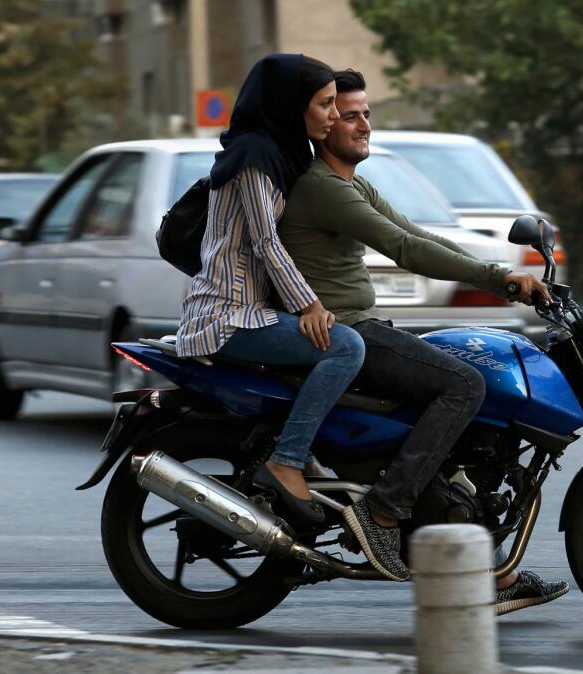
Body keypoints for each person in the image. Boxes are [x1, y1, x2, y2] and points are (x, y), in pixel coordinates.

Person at [277, 68, 569, 612]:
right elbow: (404, 250)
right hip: (343, 332)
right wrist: (499, 279)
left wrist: (500, 272)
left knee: (471, 392)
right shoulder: (321, 188)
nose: (364, 125)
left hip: (364, 324)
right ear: (321, 126)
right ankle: (383, 512)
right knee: (463, 385)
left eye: (367, 114)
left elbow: (416, 232)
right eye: (349, 115)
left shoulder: (351, 183)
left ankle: (487, 570)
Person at [175, 54, 365, 527]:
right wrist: (310, 304)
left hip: (250, 310)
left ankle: (305, 455)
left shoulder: (283, 151)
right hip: (225, 316)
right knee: (344, 347)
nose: (334, 115)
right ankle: (288, 461)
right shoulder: (254, 158)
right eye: (324, 104)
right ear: (290, 104)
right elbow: (265, 242)